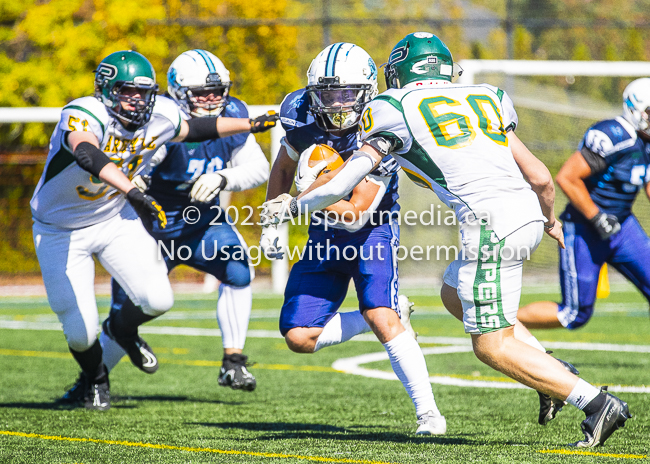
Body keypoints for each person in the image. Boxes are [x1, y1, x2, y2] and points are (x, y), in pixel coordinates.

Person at [262, 33, 631, 447]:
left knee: (491, 347)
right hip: (526, 212)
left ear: (393, 74)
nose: (339, 104)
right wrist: (549, 220)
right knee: (453, 293)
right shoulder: (486, 97)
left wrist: (292, 207)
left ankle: (596, 402)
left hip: (489, 226)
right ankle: (550, 371)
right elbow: (542, 177)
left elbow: (348, 186)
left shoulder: (389, 108)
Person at [31, 50, 277, 411]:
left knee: (159, 298)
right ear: (106, 91)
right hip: (66, 228)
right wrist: (132, 189)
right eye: (127, 92)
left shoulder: (163, 116)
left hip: (115, 218)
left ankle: (139, 336)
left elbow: (195, 129)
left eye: (144, 93)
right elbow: (87, 154)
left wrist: (250, 125)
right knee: (81, 330)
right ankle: (95, 378)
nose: (137, 101)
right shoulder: (85, 113)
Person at [260, 42, 446, 435]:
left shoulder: (385, 123)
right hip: (322, 231)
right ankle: (393, 314)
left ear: (367, 91)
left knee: (380, 313)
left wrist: (302, 198)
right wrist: (271, 220)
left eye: (346, 93)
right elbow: (283, 163)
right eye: (328, 94)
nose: (337, 104)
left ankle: (429, 414)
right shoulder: (300, 112)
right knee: (298, 335)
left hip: (372, 229)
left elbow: (356, 212)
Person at [101, 49, 269, 391]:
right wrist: (139, 180)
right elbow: (133, 171)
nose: (212, 99)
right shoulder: (160, 118)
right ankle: (93, 378)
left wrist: (223, 178)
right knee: (128, 310)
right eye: (201, 93)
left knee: (238, 268)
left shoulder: (233, 112)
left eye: (217, 91)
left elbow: (258, 168)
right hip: (149, 228)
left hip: (199, 223)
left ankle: (233, 362)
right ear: (178, 93)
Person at [518, 78, 650, 332]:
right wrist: (597, 217)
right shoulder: (613, 135)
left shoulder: (645, 141)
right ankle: (501, 325)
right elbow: (567, 177)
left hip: (623, 225)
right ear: (635, 109)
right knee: (575, 313)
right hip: (585, 227)